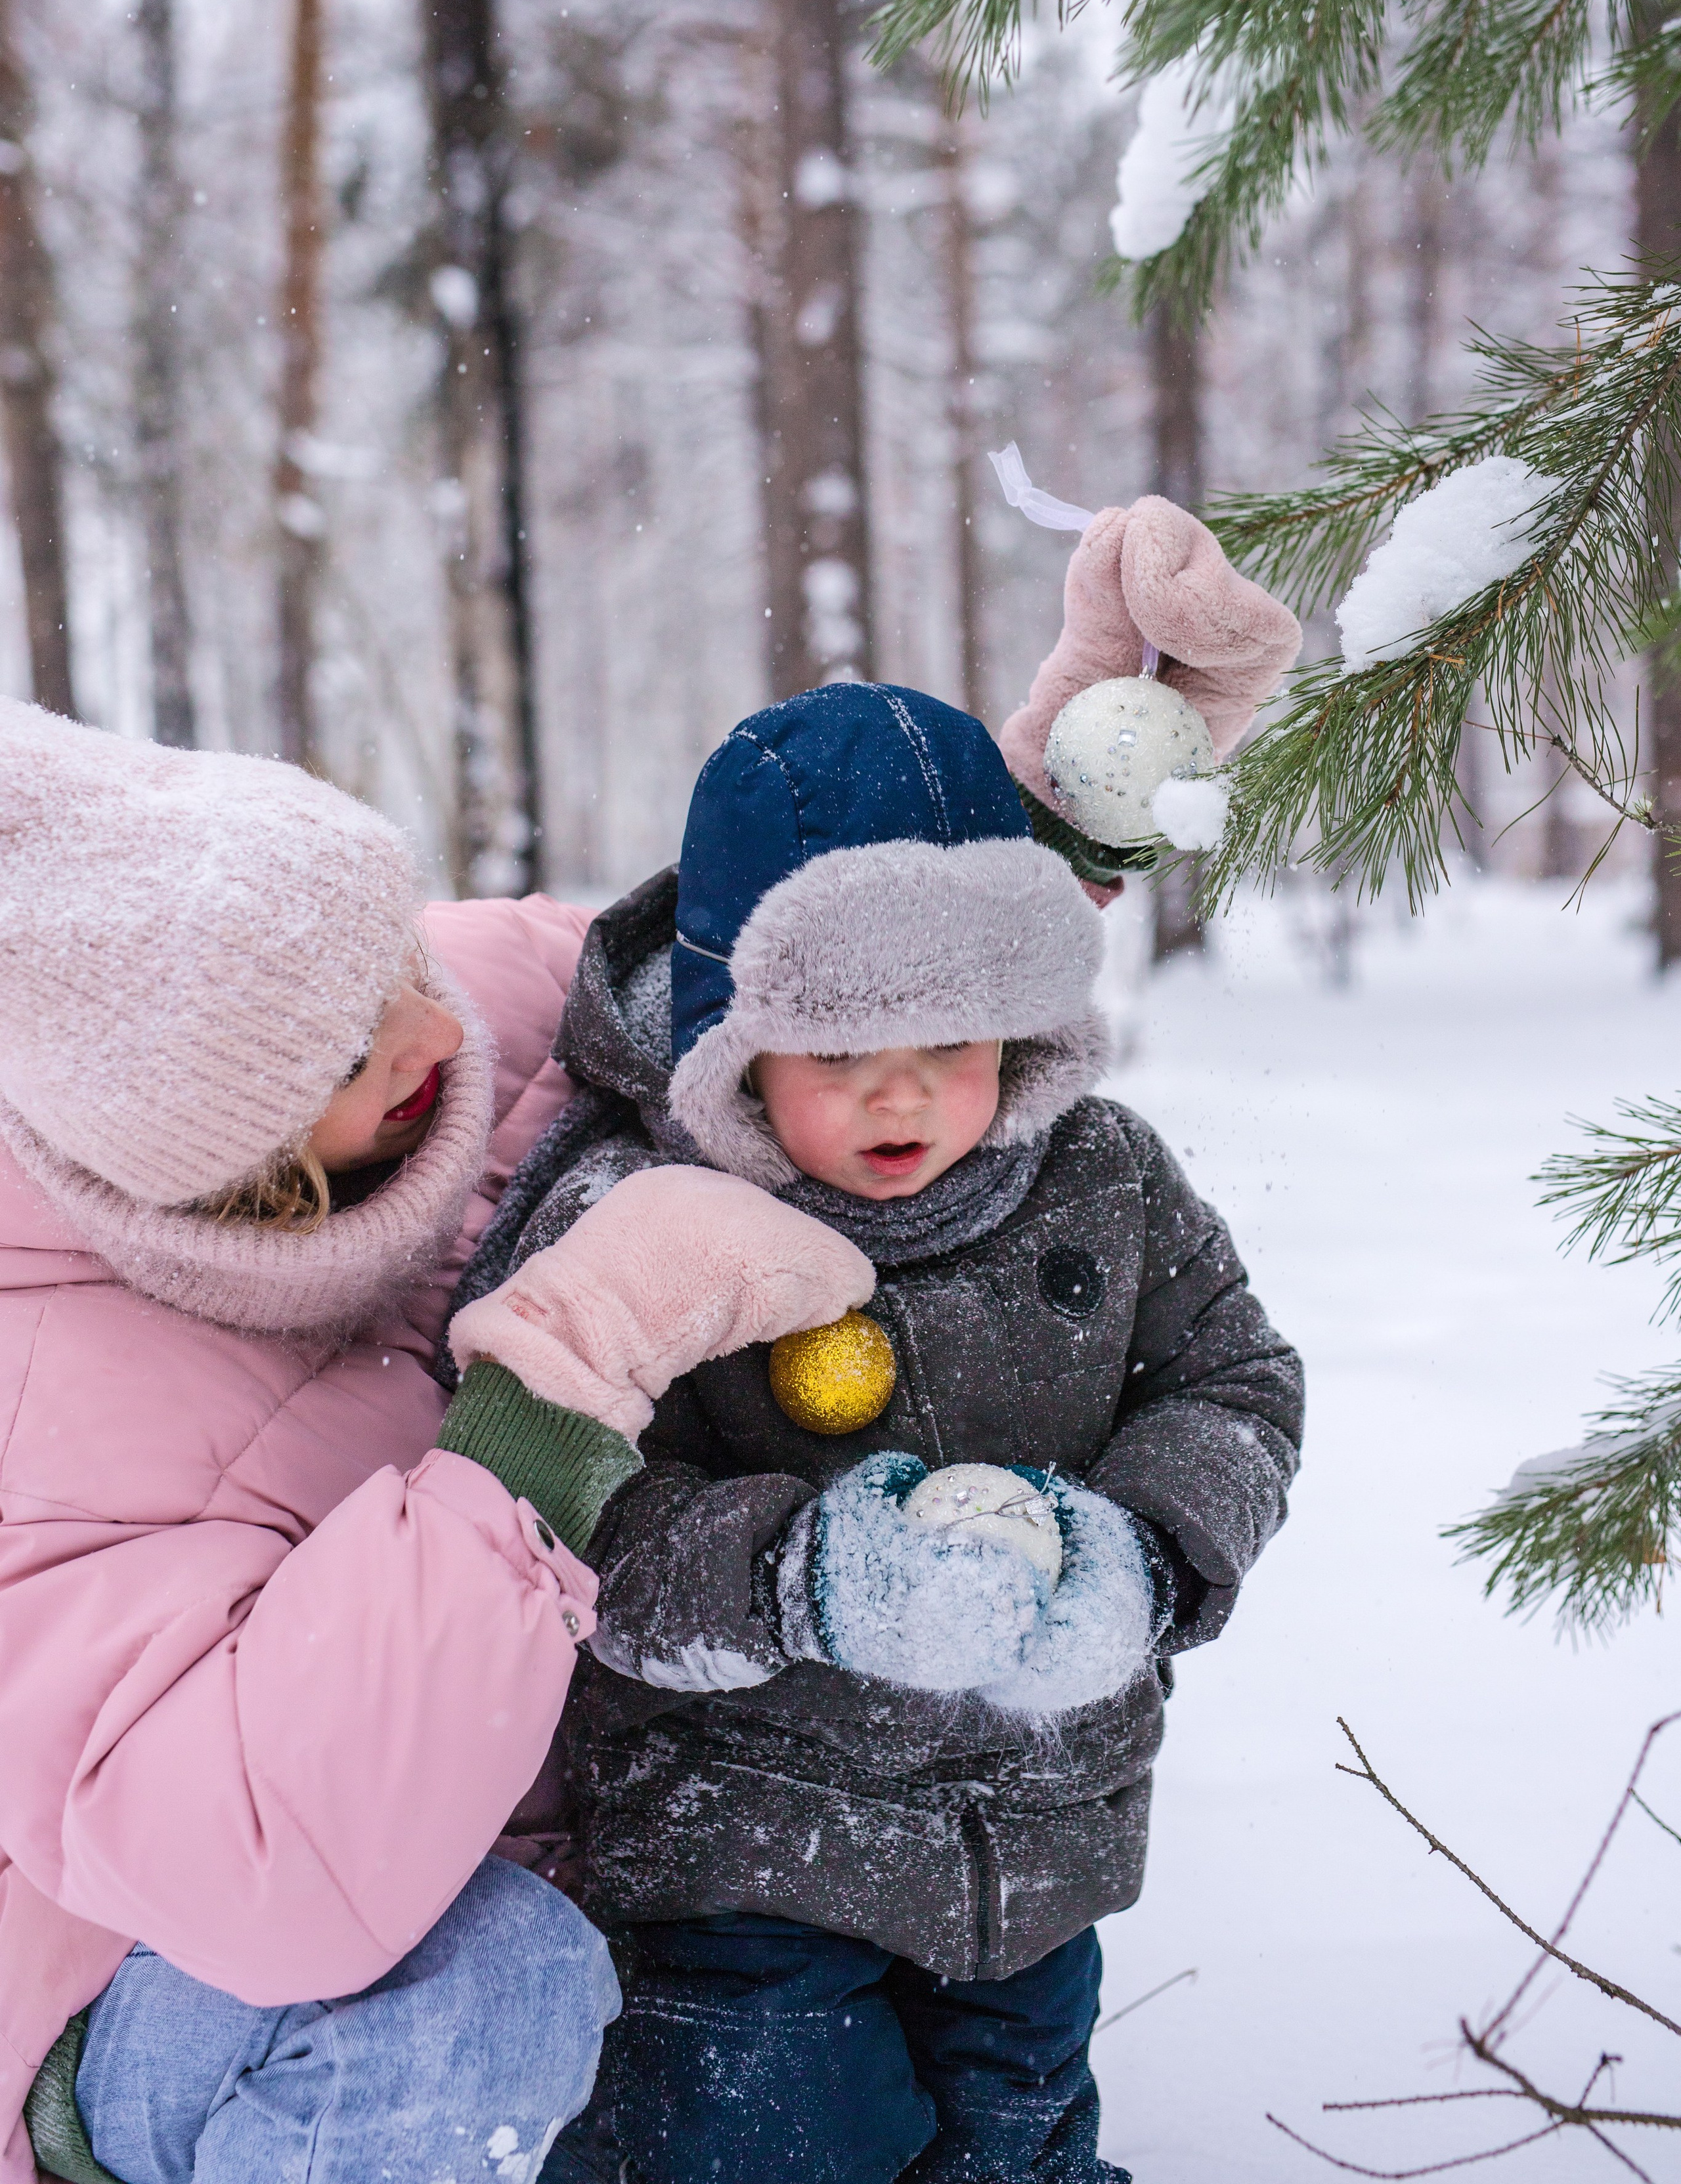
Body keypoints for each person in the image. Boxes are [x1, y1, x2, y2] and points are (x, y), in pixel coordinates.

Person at [448, 500, 1305, 2184]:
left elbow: (1235, 1381)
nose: (903, 1093)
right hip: (743, 1856)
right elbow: (551, 1519)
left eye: (951, 1034)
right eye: (838, 1047)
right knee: (767, 2148)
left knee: (1018, 2146)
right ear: (732, 1038)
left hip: (1039, 1843)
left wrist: (1140, 1554)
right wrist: (803, 1576)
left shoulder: (1101, 1178)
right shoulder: (639, 1215)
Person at [0, 698, 871, 2184]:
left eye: (394, 948)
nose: (431, 1026)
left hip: (458, 1845)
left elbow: (731, 956)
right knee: (479, 1988)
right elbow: (276, 1876)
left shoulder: (434, 1013)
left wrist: (1043, 825)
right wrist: (560, 1387)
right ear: (217, 1154)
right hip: (135, 1989)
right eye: (348, 1045)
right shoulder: (51, 1401)